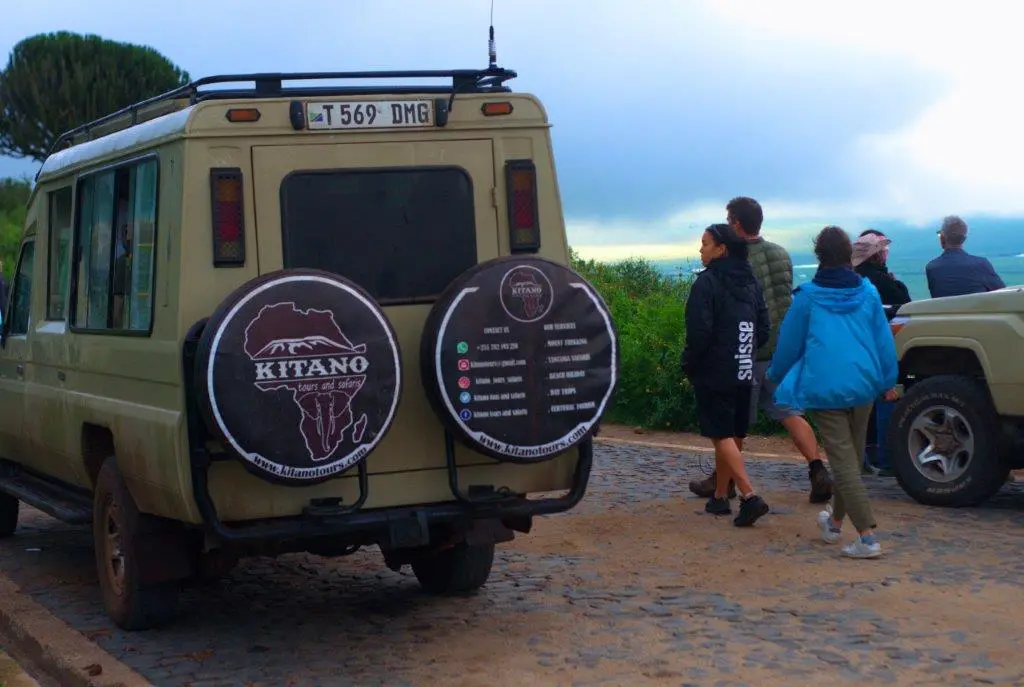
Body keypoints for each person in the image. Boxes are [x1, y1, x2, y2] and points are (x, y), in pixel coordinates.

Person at [689, 197, 834, 504]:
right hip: (781, 347)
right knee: (789, 411)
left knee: (733, 424)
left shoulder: (737, 261)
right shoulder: (781, 253)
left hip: (747, 350)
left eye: (729, 220)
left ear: (736, 224)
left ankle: (726, 484)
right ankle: (817, 468)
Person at [767, 226, 898, 559]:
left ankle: (867, 537)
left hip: (825, 388)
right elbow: (883, 341)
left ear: (819, 255)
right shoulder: (868, 292)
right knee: (850, 460)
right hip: (865, 384)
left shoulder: (808, 297)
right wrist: (887, 381)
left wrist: (776, 375)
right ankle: (835, 523)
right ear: (848, 256)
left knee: (843, 463)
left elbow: (789, 344)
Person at [681, 223, 771, 527]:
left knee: (720, 434)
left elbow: (699, 332)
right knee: (732, 434)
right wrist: (744, 351)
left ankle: (749, 495)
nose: (701, 249)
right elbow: (764, 326)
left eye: (705, 243)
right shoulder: (750, 282)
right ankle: (720, 496)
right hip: (744, 367)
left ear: (722, 249)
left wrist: (690, 363)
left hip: (715, 370)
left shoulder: (706, 284)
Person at [853, 229, 909, 476]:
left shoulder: (852, 277)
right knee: (887, 395)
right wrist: (894, 281)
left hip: (854, 349)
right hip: (878, 347)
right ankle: (885, 458)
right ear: (877, 255)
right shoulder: (879, 280)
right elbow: (903, 301)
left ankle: (860, 456)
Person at [925, 216, 1004, 298]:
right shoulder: (981, 264)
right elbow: (1002, 294)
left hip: (945, 310)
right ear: (964, 239)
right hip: (976, 310)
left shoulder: (932, 268)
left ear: (942, 238)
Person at [853, 230, 911, 312]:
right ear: (876, 252)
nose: (886, 251)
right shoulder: (880, 279)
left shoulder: (852, 275)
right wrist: (897, 283)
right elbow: (905, 307)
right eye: (883, 247)